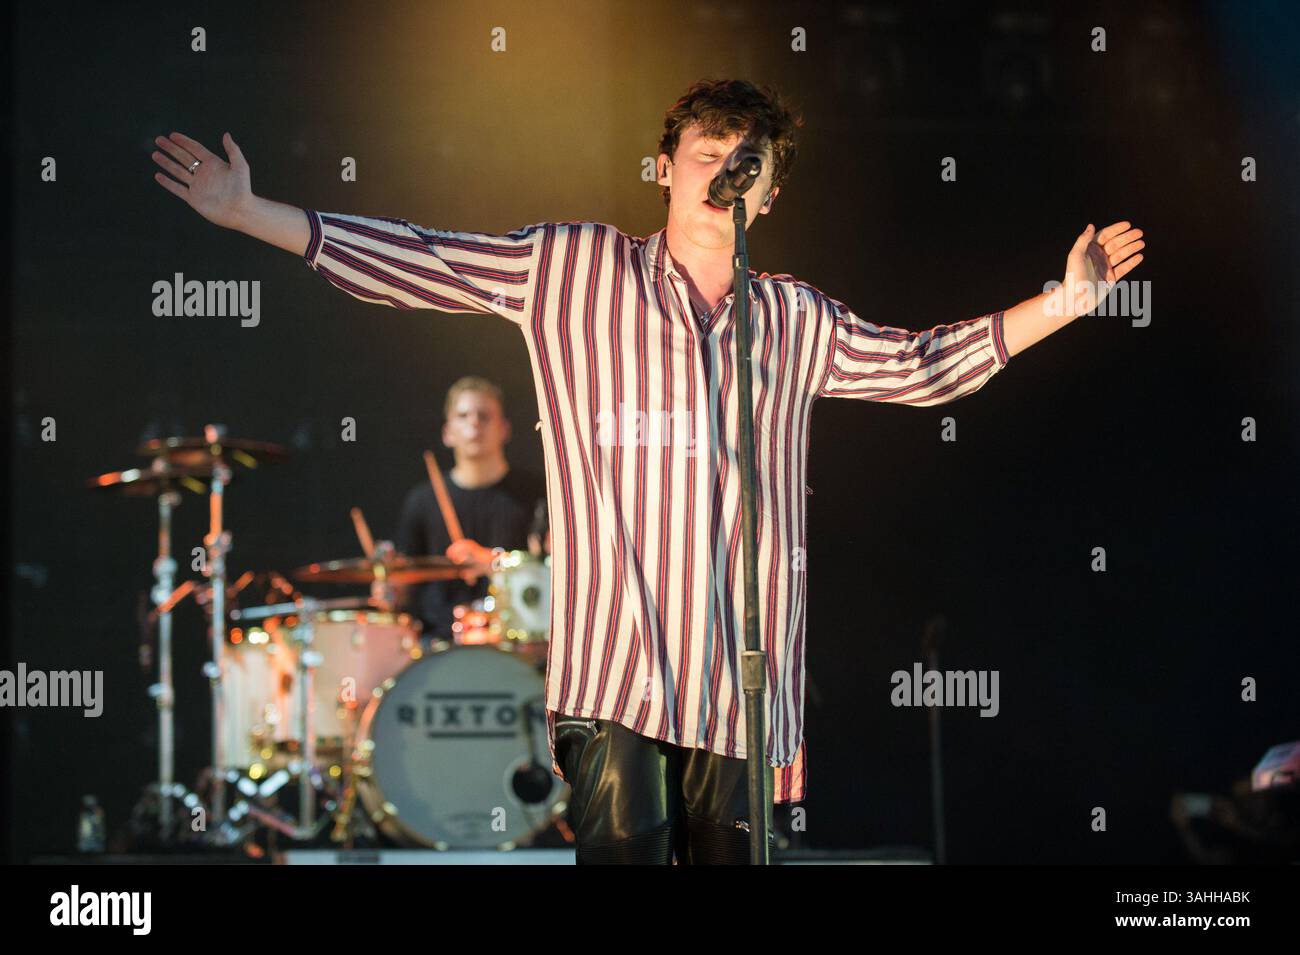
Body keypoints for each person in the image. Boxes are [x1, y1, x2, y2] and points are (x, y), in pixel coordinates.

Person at [150, 78, 1145, 863]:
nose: (726, 174)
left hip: (745, 686)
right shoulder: (575, 268)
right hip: (615, 672)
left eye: (746, 164)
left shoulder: (793, 317)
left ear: (772, 189)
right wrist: (251, 216)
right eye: (706, 155)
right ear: (664, 167)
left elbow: (922, 367)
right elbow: (424, 259)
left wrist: (1060, 301)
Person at [393, 375, 546, 642]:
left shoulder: (538, 494)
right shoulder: (422, 500)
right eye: (463, 416)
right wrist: (392, 591)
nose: (474, 423)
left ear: (504, 428)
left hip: (517, 642)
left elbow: (557, 572)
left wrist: (492, 562)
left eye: (484, 416)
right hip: (439, 644)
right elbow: (407, 581)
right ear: (447, 433)